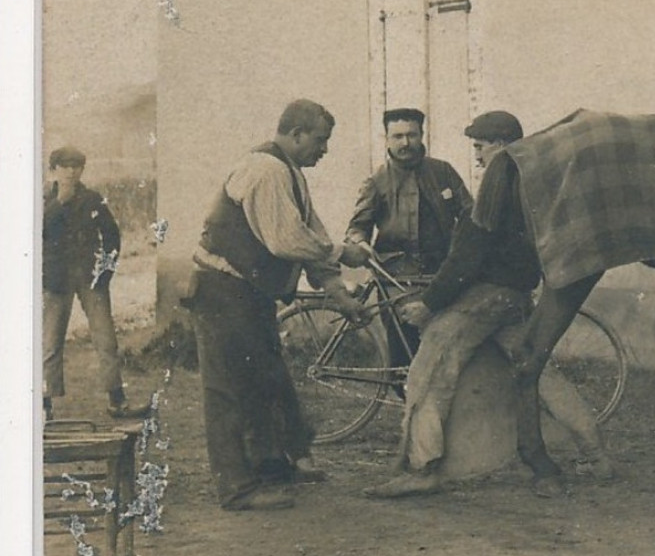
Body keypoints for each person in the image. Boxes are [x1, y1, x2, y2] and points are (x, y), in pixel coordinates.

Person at [365, 110, 611, 499]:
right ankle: (596, 453)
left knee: (428, 371)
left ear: (500, 144)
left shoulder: (498, 179)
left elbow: (467, 256)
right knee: (540, 373)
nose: (477, 155)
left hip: (484, 299)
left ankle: (422, 467)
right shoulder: (532, 182)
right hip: (515, 297)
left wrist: (429, 305)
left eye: (480, 146)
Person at [189, 101, 369, 510]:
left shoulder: (291, 174)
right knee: (230, 389)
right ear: (296, 134)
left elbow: (310, 237)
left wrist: (339, 294)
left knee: (264, 378)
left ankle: (273, 466)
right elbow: (287, 241)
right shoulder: (267, 171)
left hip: (249, 293)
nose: (324, 149)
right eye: (320, 140)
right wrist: (344, 252)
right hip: (222, 289)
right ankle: (237, 488)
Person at [345, 107, 474, 367]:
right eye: (398, 136)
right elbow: (356, 228)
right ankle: (410, 406)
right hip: (396, 280)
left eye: (412, 135)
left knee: (446, 351)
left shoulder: (443, 172)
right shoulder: (377, 181)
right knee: (404, 357)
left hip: (440, 277)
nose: (406, 143)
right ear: (387, 139)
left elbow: (471, 217)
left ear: (422, 135)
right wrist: (360, 244)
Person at [42, 146, 140, 421]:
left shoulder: (93, 199)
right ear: (54, 170)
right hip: (56, 280)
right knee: (50, 343)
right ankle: (44, 405)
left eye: (77, 166)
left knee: (105, 338)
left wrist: (105, 274)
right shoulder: (42, 200)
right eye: (65, 166)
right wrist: (59, 202)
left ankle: (116, 401)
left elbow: (112, 237)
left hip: (90, 279)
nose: (72, 171)